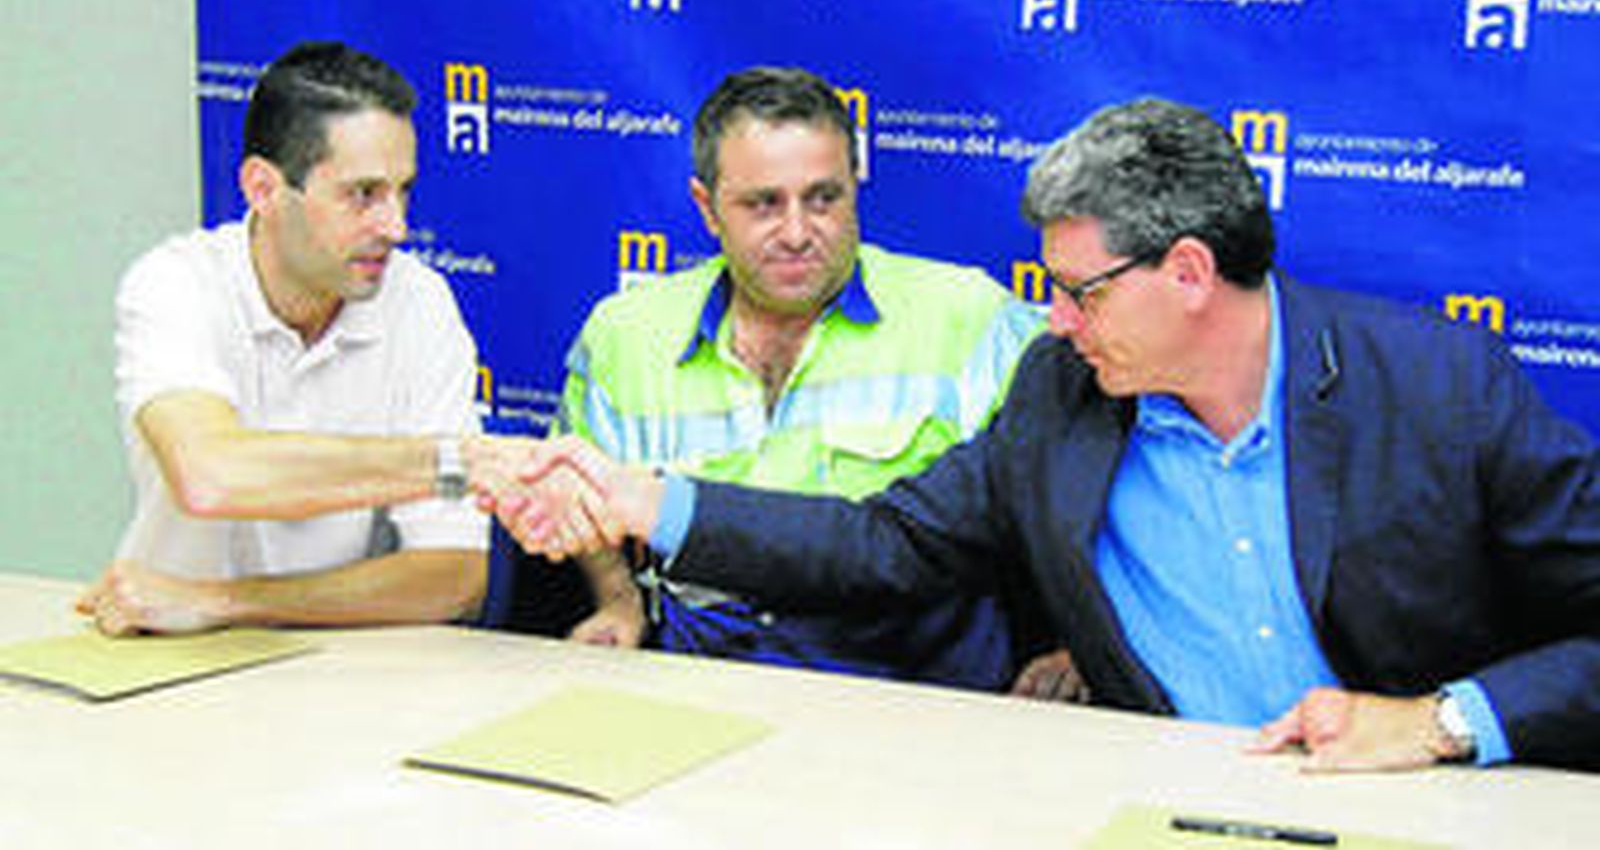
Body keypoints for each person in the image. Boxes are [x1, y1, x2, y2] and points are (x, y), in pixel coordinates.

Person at [491, 98, 1600, 773]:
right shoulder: (1058, 400)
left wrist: (1441, 723)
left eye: (1081, 292)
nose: (1056, 321)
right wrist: (647, 500)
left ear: (1188, 272)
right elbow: (883, 545)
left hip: (1414, 804)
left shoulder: (1436, 387)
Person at [553, 66, 1049, 690]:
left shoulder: (968, 316)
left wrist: (1069, 643)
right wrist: (618, 602)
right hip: (699, 685)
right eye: (763, 204)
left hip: (912, 689)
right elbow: (580, 493)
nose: (797, 233)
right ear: (707, 209)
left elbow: (1070, 493)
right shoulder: (625, 334)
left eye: (823, 198)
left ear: (856, 187)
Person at [79, 41, 516, 636]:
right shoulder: (175, 282)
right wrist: (452, 463)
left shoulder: (420, 301)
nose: (396, 226)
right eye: (363, 194)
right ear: (263, 189)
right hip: (160, 653)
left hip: (336, 666)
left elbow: (456, 578)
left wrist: (220, 602)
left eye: (403, 191)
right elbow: (212, 476)